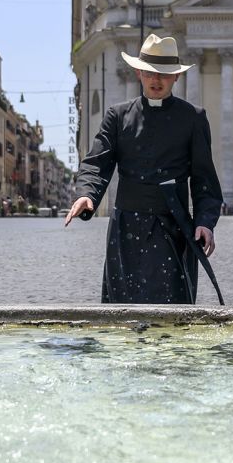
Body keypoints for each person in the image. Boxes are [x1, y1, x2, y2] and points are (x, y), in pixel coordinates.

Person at [66, 34, 222, 304]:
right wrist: (87, 195)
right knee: (123, 303)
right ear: (139, 73)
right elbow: (97, 162)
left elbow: (204, 179)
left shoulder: (193, 118)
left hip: (172, 225)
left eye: (163, 74)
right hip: (125, 227)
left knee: (170, 304)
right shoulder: (117, 115)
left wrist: (205, 223)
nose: (156, 80)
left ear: (175, 77)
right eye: (150, 73)